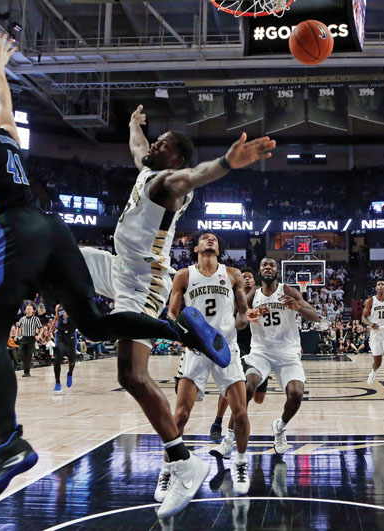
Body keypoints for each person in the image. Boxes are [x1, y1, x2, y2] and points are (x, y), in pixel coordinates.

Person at [0, 33, 235, 506]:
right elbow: (7, 106)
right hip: (56, 234)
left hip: (59, 247)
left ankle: (9, 442)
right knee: (93, 324)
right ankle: (177, 332)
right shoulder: (7, 134)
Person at [79, 104, 275, 518]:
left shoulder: (171, 184)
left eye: (164, 143)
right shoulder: (150, 173)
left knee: (136, 377)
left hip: (153, 290)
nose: (155, 144)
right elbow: (138, 150)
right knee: (58, 254)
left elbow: (194, 175)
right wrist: (133, 125)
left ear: (177, 158)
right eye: (157, 139)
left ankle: (215, 462)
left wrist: (226, 162)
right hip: (122, 268)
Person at [157, 231, 259, 502]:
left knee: (240, 411)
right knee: (180, 415)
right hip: (196, 349)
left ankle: (240, 462)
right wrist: (182, 332)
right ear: (195, 248)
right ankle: (168, 469)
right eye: (205, 238)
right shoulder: (184, 276)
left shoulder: (233, 274)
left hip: (226, 346)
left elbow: (241, 315)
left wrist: (247, 317)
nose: (210, 239)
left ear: (219, 248)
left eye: (214, 238)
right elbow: (172, 313)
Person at [226, 257, 319, 455]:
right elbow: (238, 324)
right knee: (247, 388)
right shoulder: (252, 296)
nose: (268, 267)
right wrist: (247, 316)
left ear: (278, 271)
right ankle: (229, 437)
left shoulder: (288, 291)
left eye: (272, 265)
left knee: (296, 394)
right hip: (261, 352)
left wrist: (298, 307)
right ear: (260, 271)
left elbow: (314, 316)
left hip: (288, 352)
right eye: (264, 265)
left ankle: (280, 426)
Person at [209, 267, 268, 442]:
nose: (247, 279)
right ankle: (218, 422)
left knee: (259, 398)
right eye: (244, 277)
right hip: (237, 343)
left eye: (250, 277)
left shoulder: (263, 297)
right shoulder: (234, 297)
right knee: (231, 383)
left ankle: (238, 416)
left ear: (255, 281)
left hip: (259, 347)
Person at [51, 304, 77, 392]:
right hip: (60, 334)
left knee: (72, 358)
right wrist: (50, 330)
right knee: (57, 358)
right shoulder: (58, 306)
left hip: (71, 333)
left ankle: (70, 373)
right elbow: (56, 318)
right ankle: (57, 383)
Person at [16, 305, 42, 378]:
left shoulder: (35, 319)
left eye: (30, 309)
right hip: (23, 338)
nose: (29, 310)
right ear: (25, 311)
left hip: (31, 338)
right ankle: (25, 364)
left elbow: (41, 328)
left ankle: (27, 372)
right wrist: (17, 335)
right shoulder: (22, 318)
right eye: (27, 309)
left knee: (28, 356)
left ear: (33, 311)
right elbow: (18, 327)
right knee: (20, 354)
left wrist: (39, 336)